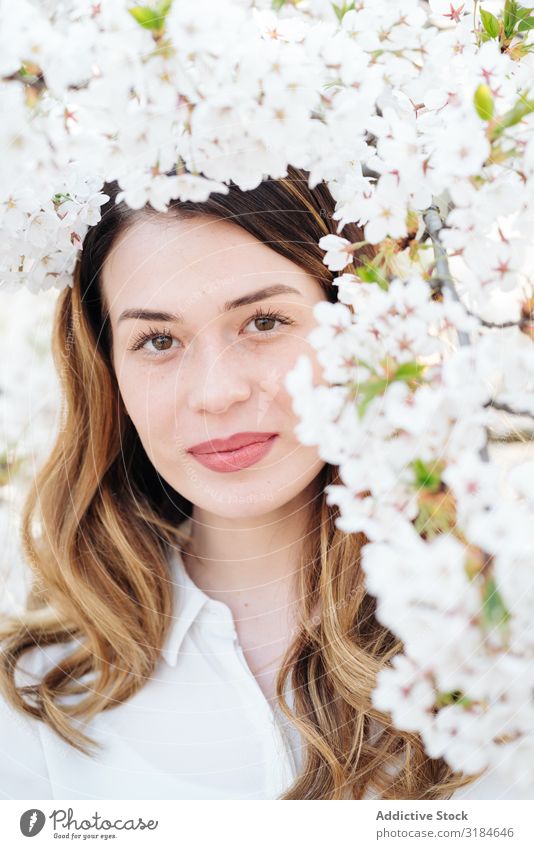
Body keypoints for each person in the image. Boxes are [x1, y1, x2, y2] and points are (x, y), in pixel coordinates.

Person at [0, 167, 518, 801]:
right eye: (158, 339)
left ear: (360, 324)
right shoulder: (37, 693)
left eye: (265, 322)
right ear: (110, 373)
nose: (217, 393)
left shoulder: (502, 638)